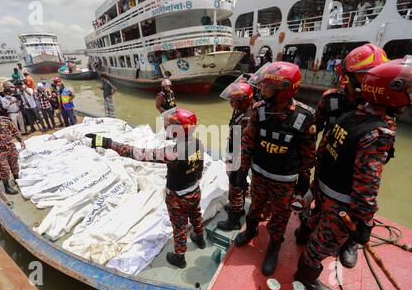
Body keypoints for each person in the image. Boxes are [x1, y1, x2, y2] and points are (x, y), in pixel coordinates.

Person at [295, 57, 410, 290]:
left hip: (325, 185)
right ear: (393, 93)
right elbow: (367, 184)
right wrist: (364, 221)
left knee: (317, 217)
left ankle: (302, 233)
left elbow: (325, 145)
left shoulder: (352, 114)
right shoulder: (378, 131)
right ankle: (306, 274)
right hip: (341, 200)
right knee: (326, 240)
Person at [86, 108, 205, 269]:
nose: (167, 128)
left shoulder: (173, 153)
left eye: (171, 126)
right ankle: (199, 237)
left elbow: (138, 153)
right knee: (196, 214)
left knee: (179, 227)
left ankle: (180, 256)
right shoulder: (198, 143)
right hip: (195, 190)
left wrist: (108, 143)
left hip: (178, 197)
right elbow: (199, 169)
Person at [232, 62, 317, 276]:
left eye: (268, 87)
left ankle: (273, 247)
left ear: (284, 90)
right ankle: (250, 230)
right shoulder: (259, 111)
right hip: (259, 174)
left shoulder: (303, 117)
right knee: (255, 206)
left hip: (284, 180)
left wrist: (304, 177)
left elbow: (308, 153)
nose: (262, 90)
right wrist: (242, 170)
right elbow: (248, 142)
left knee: (280, 215)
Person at [217, 82, 254, 231]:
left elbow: (244, 146)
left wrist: (238, 169)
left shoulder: (247, 118)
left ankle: (234, 218)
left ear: (243, 101)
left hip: (238, 158)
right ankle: (238, 207)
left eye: (233, 100)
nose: (230, 103)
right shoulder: (240, 111)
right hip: (234, 153)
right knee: (237, 185)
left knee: (235, 185)